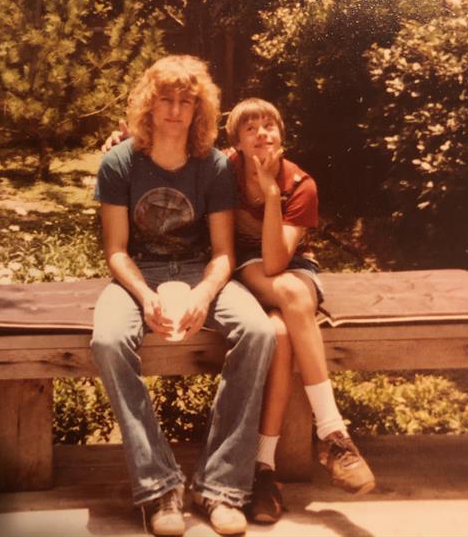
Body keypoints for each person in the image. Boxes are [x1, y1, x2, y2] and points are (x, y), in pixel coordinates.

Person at [92, 56, 275, 537]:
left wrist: (203, 294)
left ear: (199, 110)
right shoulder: (118, 163)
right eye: (165, 100)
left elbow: (223, 253)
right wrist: (144, 296)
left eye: (185, 102)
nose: (175, 110)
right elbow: (115, 251)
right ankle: (160, 489)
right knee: (107, 340)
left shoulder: (212, 166)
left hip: (199, 272)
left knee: (259, 331)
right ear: (148, 106)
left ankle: (220, 487)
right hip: (138, 275)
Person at [225, 98, 375, 523]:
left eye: (269, 126)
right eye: (250, 128)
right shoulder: (224, 170)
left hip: (290, 266)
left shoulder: (299, 183)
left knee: (282, 328)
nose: (262, 133)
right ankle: (331, 433)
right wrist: (126, 140)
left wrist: (272, 192)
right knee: (288, 303)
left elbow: (279, 261)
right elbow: (180, 154)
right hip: (245, 267)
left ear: (282, 135)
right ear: (236, 142)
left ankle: (265, 468)